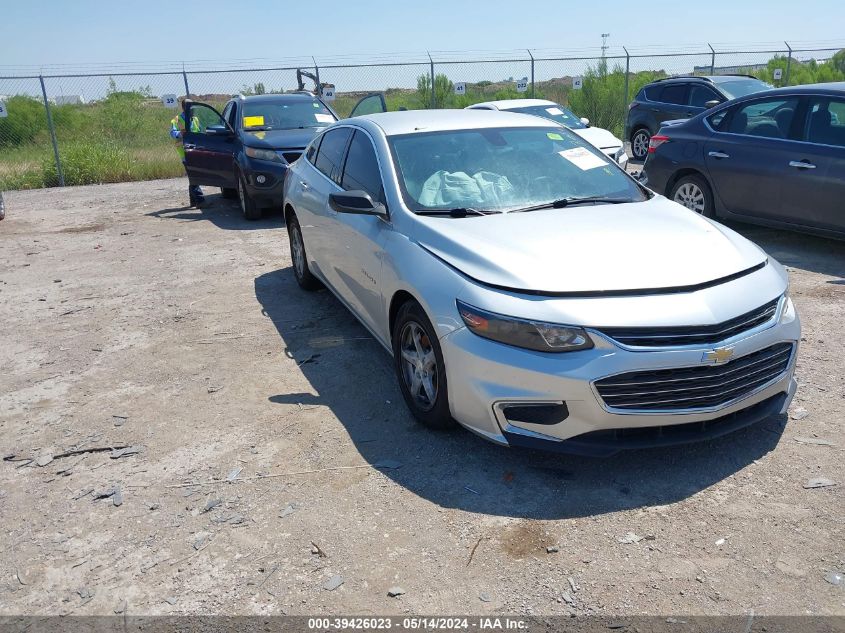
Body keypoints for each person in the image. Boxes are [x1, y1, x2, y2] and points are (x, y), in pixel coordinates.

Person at [170, 101, 205, 207]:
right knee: (193, 174)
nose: (193, 109)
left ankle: (193, 201)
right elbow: (172, 133)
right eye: (190, 107)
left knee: (193, 175)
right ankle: (199, 200)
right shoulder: (176, 119)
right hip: (184, 152)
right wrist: (180, 133)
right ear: (184, 107)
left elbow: (199, 131)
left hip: (195, 151)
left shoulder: (195, 119)